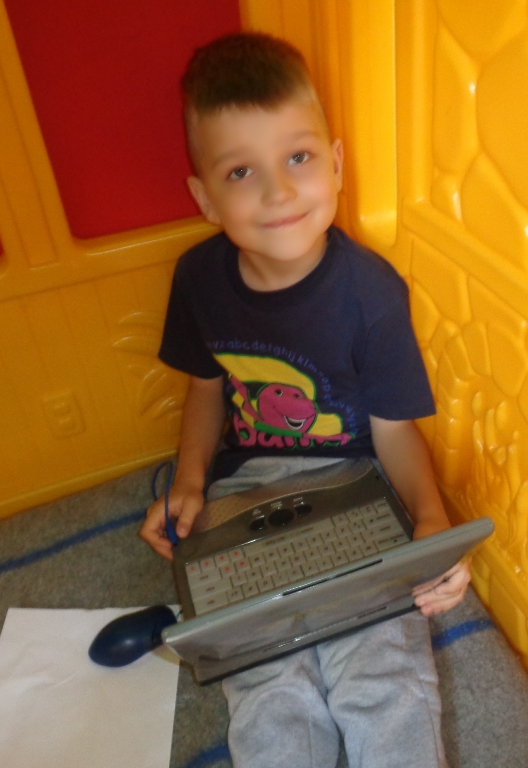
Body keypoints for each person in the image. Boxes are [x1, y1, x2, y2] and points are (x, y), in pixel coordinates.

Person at [140, 32, 470, 768]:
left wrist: (429, 519)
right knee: (266, 681)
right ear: (204, 198)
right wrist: (188, 479)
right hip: (244, 494)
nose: (278, 192)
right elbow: (204, 386)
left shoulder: (371, 292)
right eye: (241, 171)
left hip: (356, 487)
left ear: (337, 164)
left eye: (298, 157)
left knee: (383, 671)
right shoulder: (197, 279)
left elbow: (394, 431)